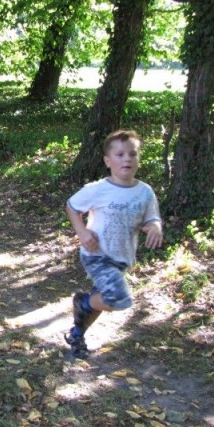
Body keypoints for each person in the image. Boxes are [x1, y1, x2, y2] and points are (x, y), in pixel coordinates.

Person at [63, 129, 163, 359]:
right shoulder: (98, 189)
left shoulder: (144, 192)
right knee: (118, 298)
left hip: (122, 257)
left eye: (132, 154)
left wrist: (155, 227)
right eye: (120, 155)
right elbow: (72, 207)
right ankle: (83, 302)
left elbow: (151, 218)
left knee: (103, 299)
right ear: (108, 161)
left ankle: (77, 334)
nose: (127, 159)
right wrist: (82, 233)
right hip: (97, 254)